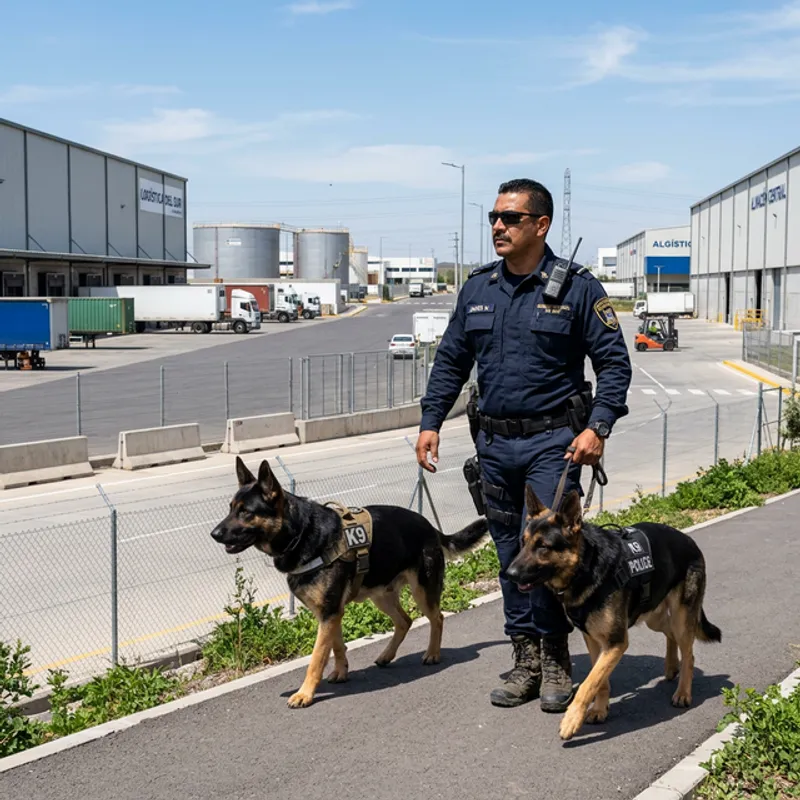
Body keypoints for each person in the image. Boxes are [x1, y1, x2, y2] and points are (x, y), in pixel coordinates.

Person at [416, 178, 632, 712]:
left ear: (541, 224)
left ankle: (556, 658)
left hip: (554, 444)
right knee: (510, 553)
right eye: (494, 217)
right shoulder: (478, 289)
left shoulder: (578, 288)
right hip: (494, 446)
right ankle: (525, 659)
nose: (498, 226)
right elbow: (451, 360)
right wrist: (430, 421)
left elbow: (614, 364)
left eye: (510, 218)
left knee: (546, 554)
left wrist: (598, 427)